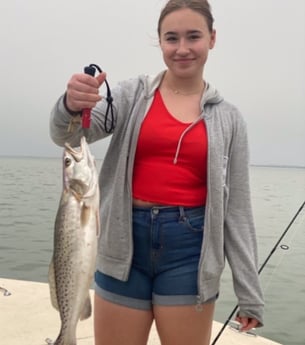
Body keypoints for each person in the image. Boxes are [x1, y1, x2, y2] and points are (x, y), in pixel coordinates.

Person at [50, 0, 264, 344]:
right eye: (171, 38)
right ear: (160, 42)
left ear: (212, 38)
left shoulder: (230, 119)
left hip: (190, 253)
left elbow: (237, 209)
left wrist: (249, 291)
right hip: (121, 244)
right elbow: (69, 135)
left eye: (193, 36)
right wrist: (71, 104)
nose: (182, 49)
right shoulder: (131, 94)